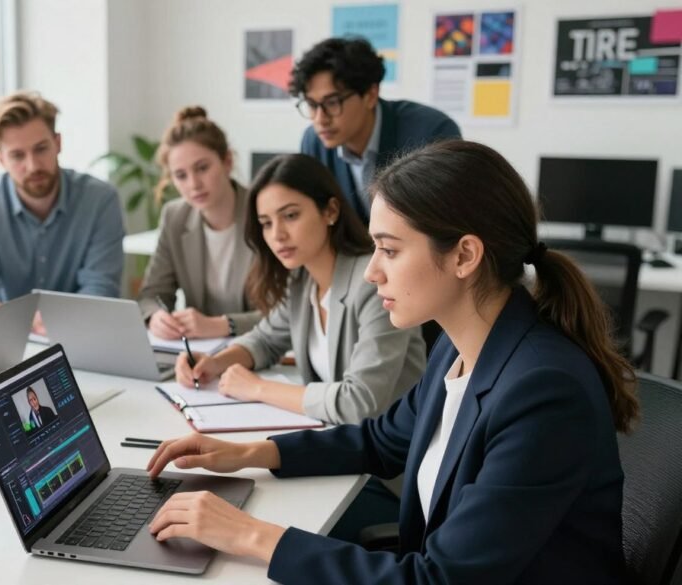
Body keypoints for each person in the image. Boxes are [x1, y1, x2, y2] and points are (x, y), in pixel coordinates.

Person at [147, 140, 635, 584]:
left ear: (464, 255)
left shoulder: (543, 390)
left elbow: (438, 579)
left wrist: (252, 536)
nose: (373, 272)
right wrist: (252, 453)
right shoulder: (458, 346)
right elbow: (381, 440)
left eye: (390, 250)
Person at [178, 154, 425, 426]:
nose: (277, 235)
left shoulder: (373, 283)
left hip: (390, 455)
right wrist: (214, 363)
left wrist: (257, 388)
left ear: (330, 211)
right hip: (336, 438)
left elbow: (359, 402)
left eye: (290, 215)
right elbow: (265, 340)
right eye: (266, 223)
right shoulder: (302, 280)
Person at [0, 91, 126, 334]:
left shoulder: (100, 200)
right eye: (17, 155)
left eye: (41, 149)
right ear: (1, 159)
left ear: (58, 143)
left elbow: (100, 286)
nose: (32, 165)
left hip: (74, 333)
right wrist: (14, 323)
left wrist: (58, 323)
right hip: (1, 335)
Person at [292, 37, 461, 225]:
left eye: (332, 103)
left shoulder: (432, 132)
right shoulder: (313, 142)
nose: (320, 119)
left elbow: (443, 225)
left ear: (371, 95)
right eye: (312, 105)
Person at [138, 106, 260, 340]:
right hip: (201, 355)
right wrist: (156, 317)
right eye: (181, 175)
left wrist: (223, 325)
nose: (193, 184)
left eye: (202, 168)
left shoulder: (263, 213)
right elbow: (152, 294)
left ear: (227, 161)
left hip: (263, 351)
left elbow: (287, 311)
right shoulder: (174, 217)